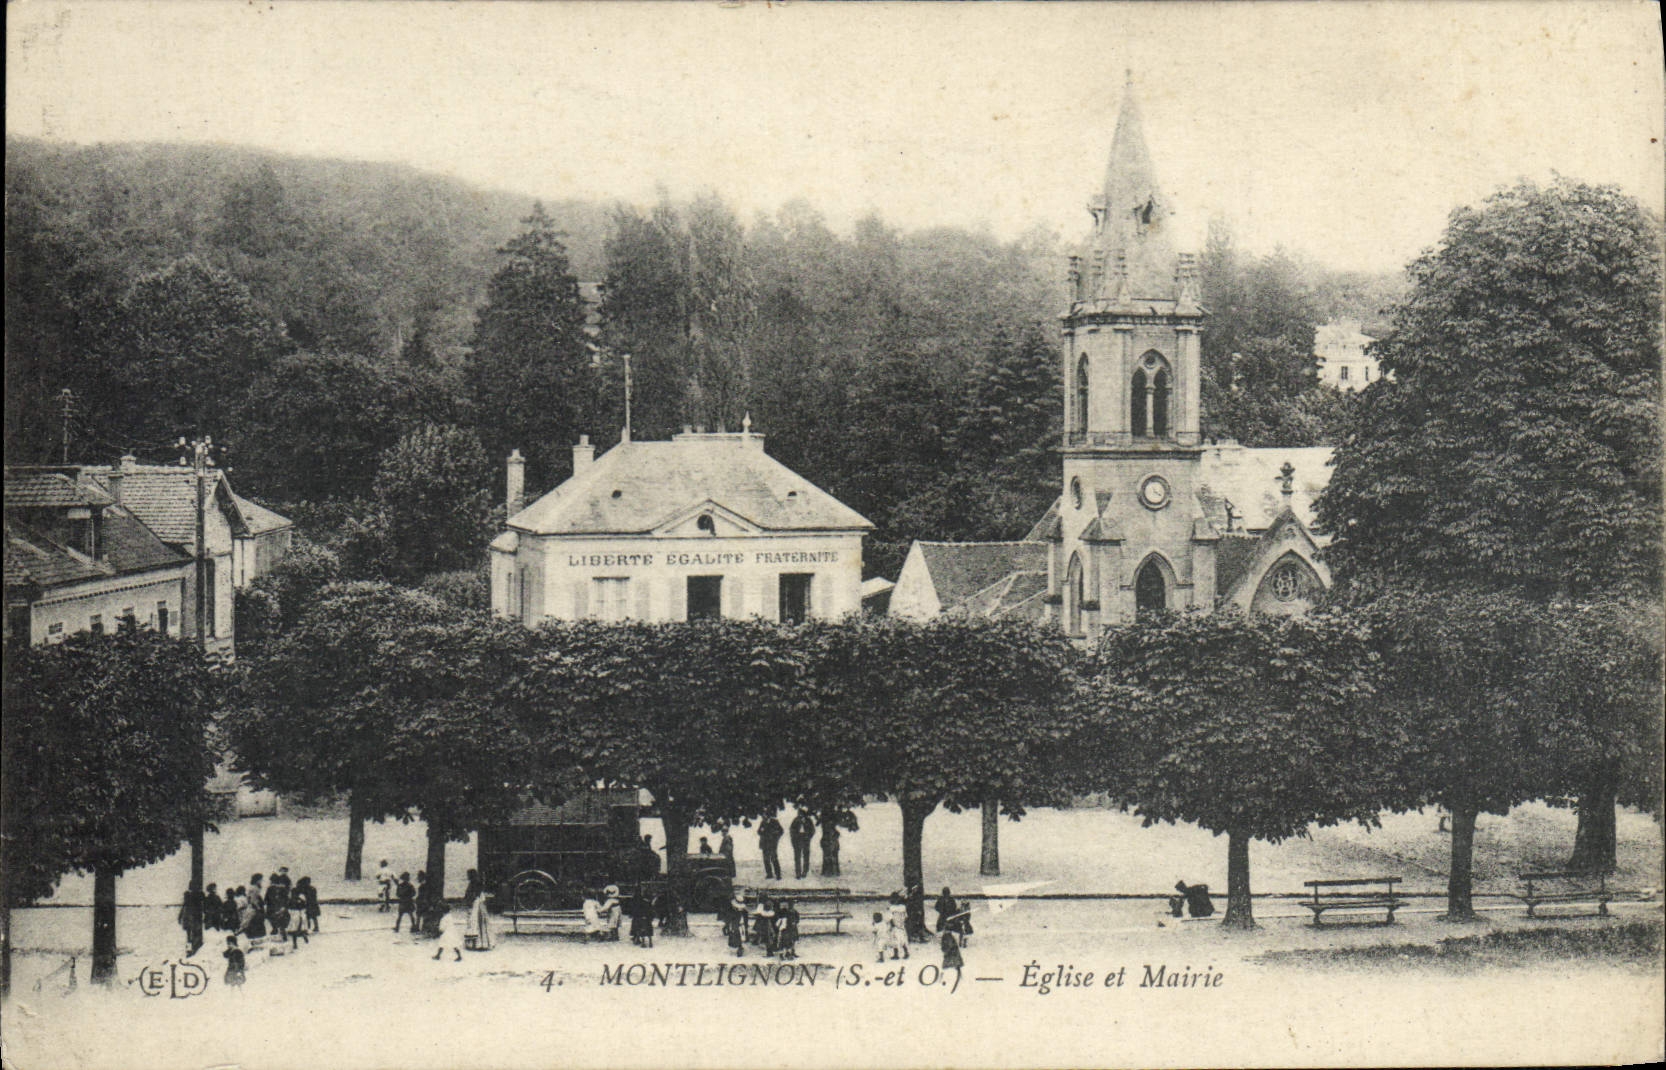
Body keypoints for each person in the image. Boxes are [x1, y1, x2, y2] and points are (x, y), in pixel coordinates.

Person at [463, 869, 493, 951]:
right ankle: (481, 943)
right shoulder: (474, 883)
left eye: (468, 875)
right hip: (477, 905)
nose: (467, 876)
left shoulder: (475, 884)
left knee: (476, 924)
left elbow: (474, 895)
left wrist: (469, 902)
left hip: (476, 905)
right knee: (476, 924)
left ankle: (479, 944)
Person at [719, 891, 748, 957]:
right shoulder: (742, 911)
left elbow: (731, 919)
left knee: (737, 937)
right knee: (739, 937)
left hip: (737, 926)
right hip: (739, 926)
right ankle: (739, 948)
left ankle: (739, 949)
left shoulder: (735, 912)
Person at [789, 810, 816, 880]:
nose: (800, 816)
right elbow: (791, 830)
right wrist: (794, 837)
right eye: (799, 814)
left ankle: (805, 871)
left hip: (805, 839)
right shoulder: (795, 820)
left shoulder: (808, 821)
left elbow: (812, 830)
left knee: (806, 856)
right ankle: (798, 873)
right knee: (797, 857)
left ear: (804, 815)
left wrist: (809, 836)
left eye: (801, 815)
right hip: (797, 839)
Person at [757, 814, 784, 880]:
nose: (763, 818)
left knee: (774, 858)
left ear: (768, 816)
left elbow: (781, 831)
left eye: (765, 816)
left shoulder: (775, 822)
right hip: (765, 844)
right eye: (763, 817)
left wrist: (775, 837)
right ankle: (769, 874)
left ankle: (778, 874)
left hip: (772, 844)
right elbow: (758, 831)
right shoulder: (762, 822)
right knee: (766, 859)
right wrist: (761, 832)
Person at [628, 884, 655, 948]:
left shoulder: (641, 902)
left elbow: (638, 909)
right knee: (649, 930)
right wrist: (651, 917)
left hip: (641, 917)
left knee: (641, 929)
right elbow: (651, 911)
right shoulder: (649, 904)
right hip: (648, 919)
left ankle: (642, 942)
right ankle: (650, 942)